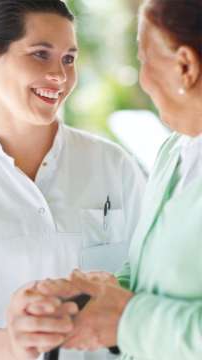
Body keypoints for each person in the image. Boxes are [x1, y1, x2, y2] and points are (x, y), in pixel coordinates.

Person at [0, 0, 146, 359]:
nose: (60, 77)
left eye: (68, 59)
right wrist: (15, 343)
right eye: (40, 54)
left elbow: (153, 284)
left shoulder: (113, 164)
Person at [28, 0, 202, 359]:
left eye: (144, 59)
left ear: (185, 66)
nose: (142, 78)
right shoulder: (175, 151)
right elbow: (150, 268)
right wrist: (103, 292)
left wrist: (126, 319)